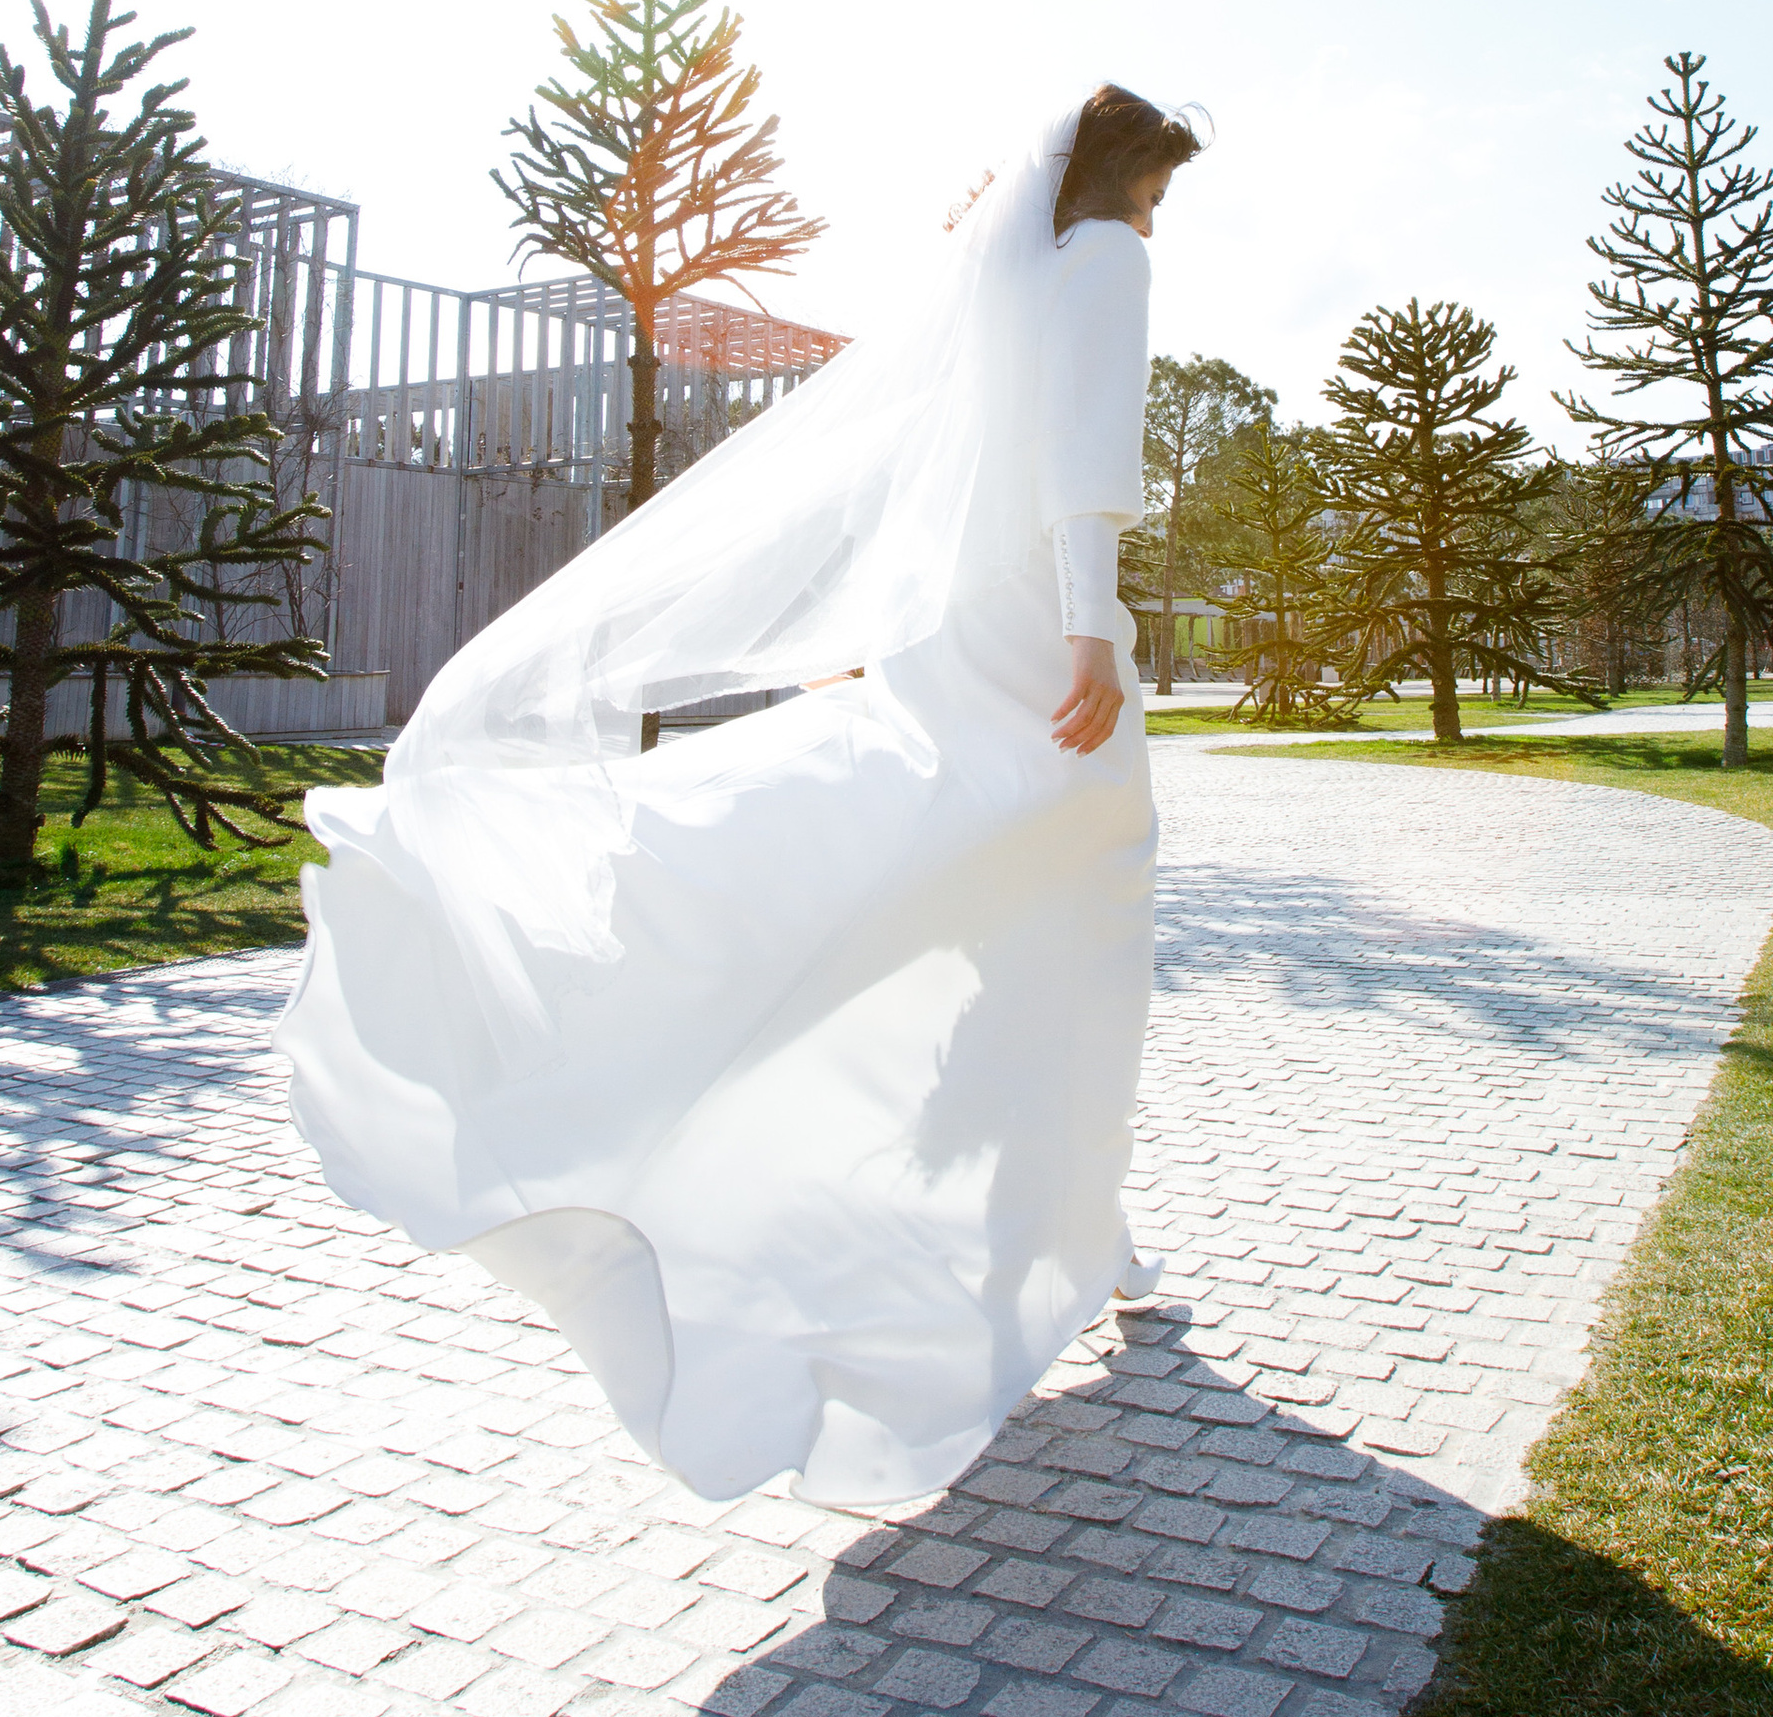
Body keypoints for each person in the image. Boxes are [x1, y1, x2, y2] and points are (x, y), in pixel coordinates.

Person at [277, 84, 1203, 1510]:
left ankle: (1081, 1214)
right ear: (1129, 182)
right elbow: (1082, 468)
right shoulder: (1111, 263)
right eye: (1160, 187)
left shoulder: (1009, 278)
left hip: (959, 620)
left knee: (974, 900)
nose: (1161, 213)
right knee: (1077, 913)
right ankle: (1078, 1220)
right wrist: (1094, 630)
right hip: (1040, 632)